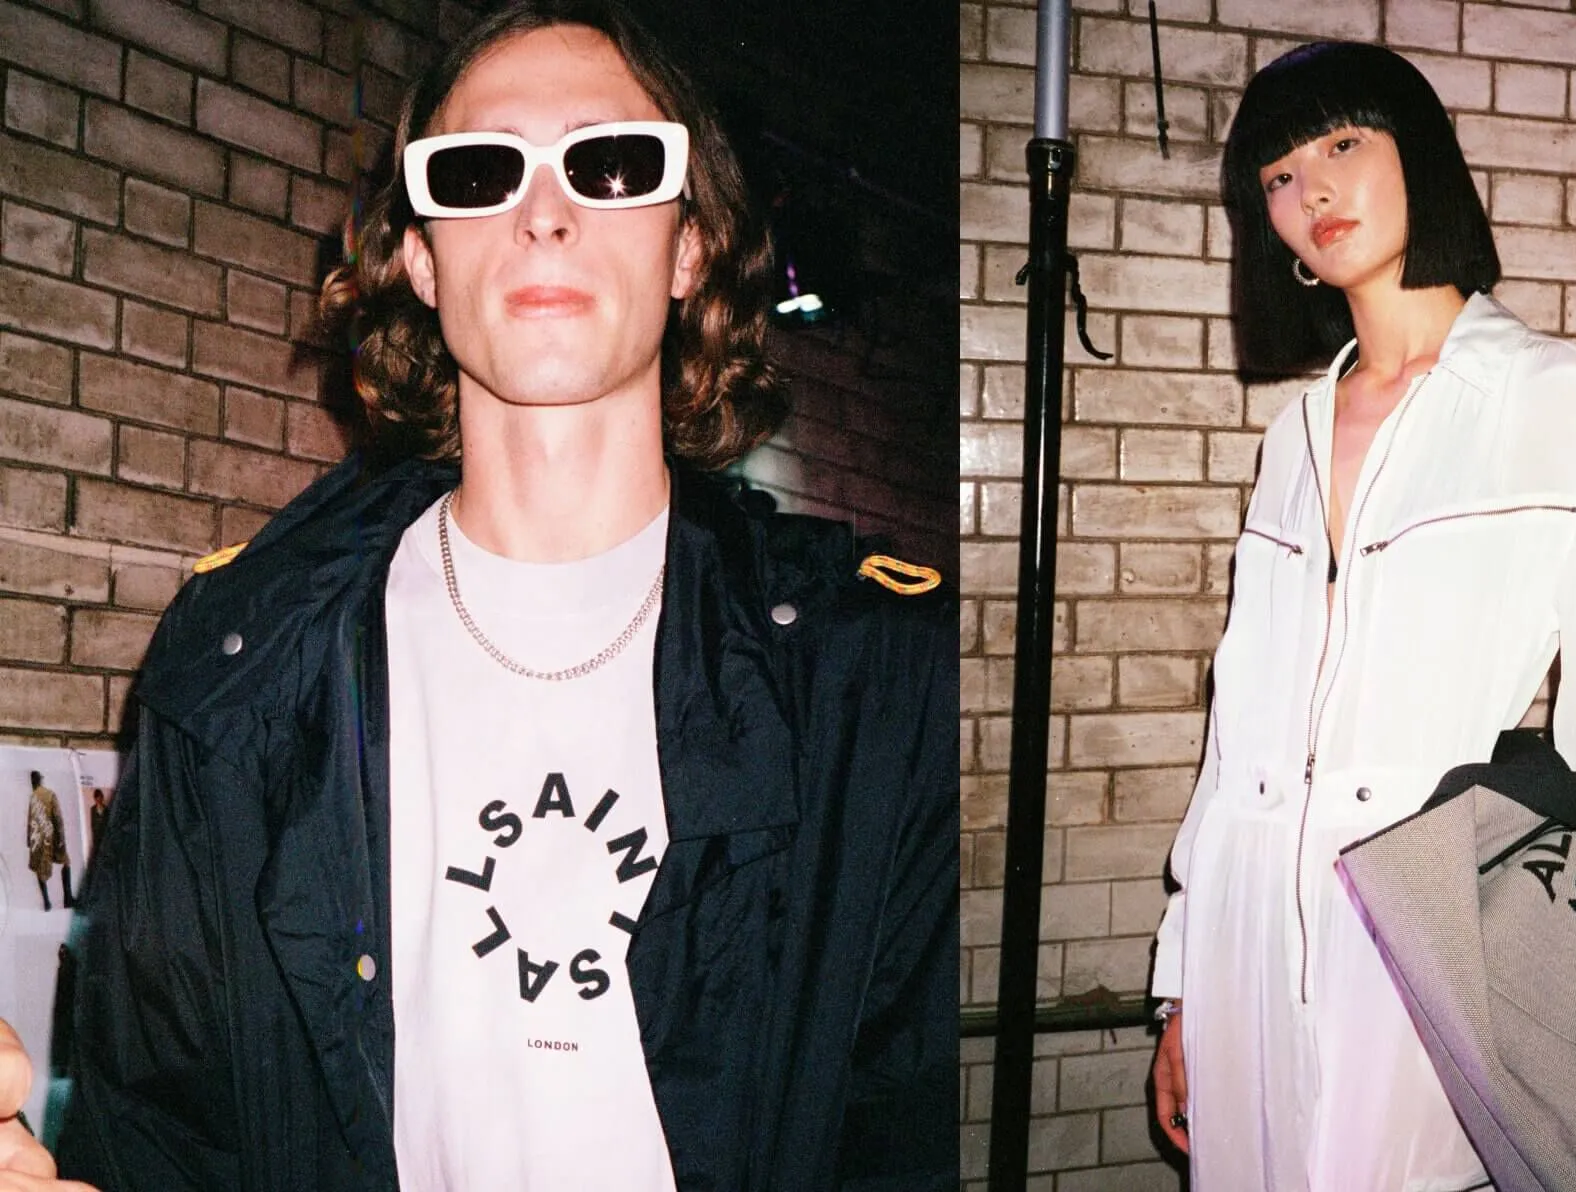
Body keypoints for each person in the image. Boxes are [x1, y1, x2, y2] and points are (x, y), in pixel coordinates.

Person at [16, 4, 957, 1190]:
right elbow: (159, 1127)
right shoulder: (235, 666)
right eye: (478, 172)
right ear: (422, 253)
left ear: (687, 248)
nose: (544, 211)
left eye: (612, 163)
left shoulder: (881, 679)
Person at [1147, 42, 1576, 1191]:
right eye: (1275, 174)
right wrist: (1184, 987)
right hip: (1246, 944)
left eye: (1342, 144)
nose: (1308, 190)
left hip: (1421, 947)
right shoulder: (1292, 439)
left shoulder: (1553, 401)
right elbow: (1239, 736)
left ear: (1425, 159)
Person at [25, 774, 72, 913]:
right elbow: (58, 818)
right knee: (66, 861)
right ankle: (67, 898)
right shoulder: (50, 794)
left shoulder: (33, 797)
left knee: (40, 868)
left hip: (38, 839)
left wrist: (29, 839)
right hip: (53, 837)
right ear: (41, 780)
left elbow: (30, 820)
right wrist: (62, 837)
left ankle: (46, 902)